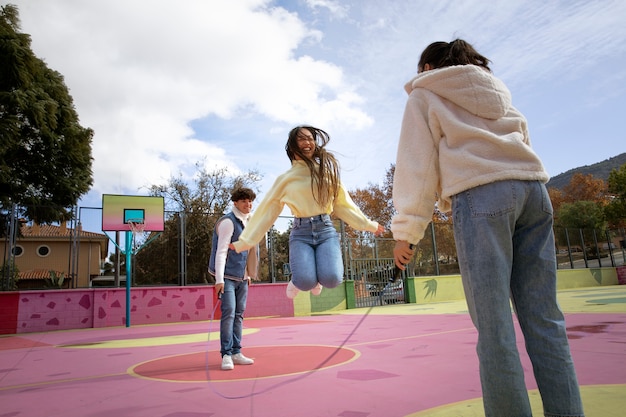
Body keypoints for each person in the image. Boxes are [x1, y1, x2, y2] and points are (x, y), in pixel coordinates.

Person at [391, 39, 584, 417]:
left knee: (495, 329)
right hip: (533, 191)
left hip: (481, 197)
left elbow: (417, 164)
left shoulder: (424, 95)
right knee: (545, 319)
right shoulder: (500, 94)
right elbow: (524, 139)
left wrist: (407, 231)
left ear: (428, 67)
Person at [231, 125, 384, 299]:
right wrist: (245, 241)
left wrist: (368, 224)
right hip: (301, 232)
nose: (307, 142)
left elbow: (343, 205)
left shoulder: (326, 174)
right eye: (302, 139)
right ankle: (298, 281)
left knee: (333, 279)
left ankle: (316, 279)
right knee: (304, 281)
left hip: (325, 229)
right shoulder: (285, 179)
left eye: (310, 138)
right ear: (292, 146)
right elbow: (267, 211)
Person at [208, 187, 259, 371]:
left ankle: (237, 352)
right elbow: (221, 252)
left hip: (241, 277)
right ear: (235, 203)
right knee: (229, 313)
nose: (248, 204)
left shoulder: (250, 222)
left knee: (239, 314)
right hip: (226, 277)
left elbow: (247, 250)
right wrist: (219, 280)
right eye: (244, 201)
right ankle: (226, 354)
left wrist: (247, 274)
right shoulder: (228, 222)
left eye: (251, 201)